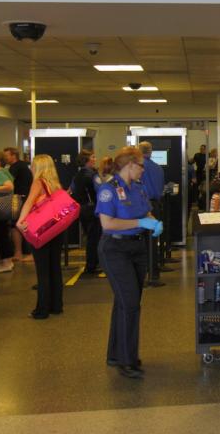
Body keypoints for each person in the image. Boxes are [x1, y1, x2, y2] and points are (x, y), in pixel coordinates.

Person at [95, 146, 162, 378]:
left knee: (125, 301)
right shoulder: (108, 190)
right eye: (141, 165)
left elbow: (147, 212)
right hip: (114, 249)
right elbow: (108, 224)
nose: (144, 170)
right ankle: (127, 359)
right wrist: (140, 223)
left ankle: (115, 353)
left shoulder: (139, 189)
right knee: (130, 303)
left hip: (136, 247)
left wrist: (153, 222)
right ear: (130, 165)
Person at [15, 154, 65, 320]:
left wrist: (20, 221)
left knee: (43, 271)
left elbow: (29, 202)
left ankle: (41, 309)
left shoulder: (38, 182)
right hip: (56, 230)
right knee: (54, 268)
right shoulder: (56, 184)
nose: (31, 168)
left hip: (42, 230)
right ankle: (56, 305)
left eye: (33, 165)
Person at [71, 149, 101, 274]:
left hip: (82, 209)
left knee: (90, 237)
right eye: (93, 157)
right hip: (92, 209)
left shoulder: (77, 175)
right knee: (95, 237)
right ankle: (92, 264)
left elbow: (72, 190)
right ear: (87, 160)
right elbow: (99, 191)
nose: (94, 159)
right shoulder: (92, 175)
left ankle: (92, 263)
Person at [3, 147, 33, 261]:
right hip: (22, 198)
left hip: (19, 198)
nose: (5, 158)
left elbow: (8, 182)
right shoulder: (21, 165)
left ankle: (19, 252)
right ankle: (25, 252)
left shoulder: (16, 167)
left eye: (7, 156)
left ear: (13, 155)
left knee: (16, 225)